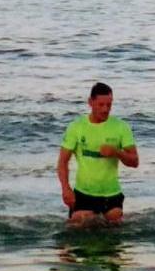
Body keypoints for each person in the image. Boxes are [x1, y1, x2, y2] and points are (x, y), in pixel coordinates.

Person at [57, 82, 139, 225]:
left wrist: (116, 152)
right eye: (101, 105)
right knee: (77, 226)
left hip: (111, 194)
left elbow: (134, 161)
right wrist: (66, 188)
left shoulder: (121, 127)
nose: (105, 109)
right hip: (83, 193)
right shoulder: (76, 127)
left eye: (109, 105)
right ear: (90, 102)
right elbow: (63, 161)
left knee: (113, 228)